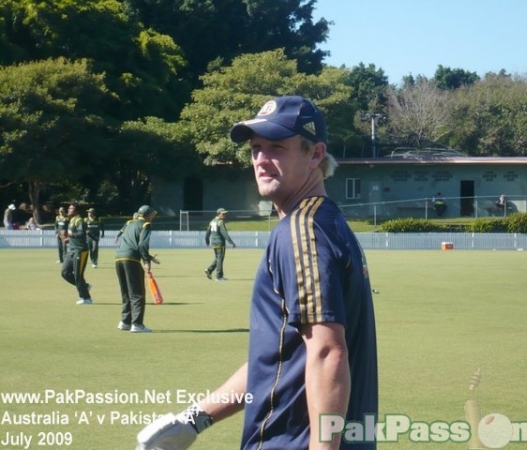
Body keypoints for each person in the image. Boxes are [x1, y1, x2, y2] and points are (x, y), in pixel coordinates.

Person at [136, 96, 378, 449]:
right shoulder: (328, 222)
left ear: (315, 155)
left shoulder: (302, 230)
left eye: (277, 148)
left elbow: (328, 353)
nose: (262, 160)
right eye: (256, 149)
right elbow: (279, 358)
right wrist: (195, 419)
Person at [115, 205, 159, 333]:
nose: (153, 218)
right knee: (137, 293)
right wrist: (146, 262)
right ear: (148, 215)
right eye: (153, 215)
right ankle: (137, 324)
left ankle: (125, 322)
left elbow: (130, 242)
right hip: (131, 259)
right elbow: (142, 245)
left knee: (126, 292)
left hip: (118, 258)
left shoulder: (129, 223)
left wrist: (149, 258)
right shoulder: (146, 225)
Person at [60, 203, 93, 305]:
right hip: (72, 250)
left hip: (81, 251)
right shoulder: (71, 220)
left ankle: (86, 298)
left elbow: (81, 233)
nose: (69, 210)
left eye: (72, 209)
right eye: (69, 208)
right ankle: (85, 286)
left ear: (77, 211)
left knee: (78, 275)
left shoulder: (79, 220)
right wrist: (68, 240)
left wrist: (69, 235)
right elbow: (75, 236)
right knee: (65, 273)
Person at [204, 208, 236, 281]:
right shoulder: (220, 222)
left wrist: (207, 240)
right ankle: (219, 276)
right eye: (223, 213)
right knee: (220, 259)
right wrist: (231, 242)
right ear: (218, 213)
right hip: (220, 243)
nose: (224, 215)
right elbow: (224, 233)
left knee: (218, 258)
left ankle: (209, 270)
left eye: (225, 213)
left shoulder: (212, 221)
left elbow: (208, 232)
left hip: (214, 243)